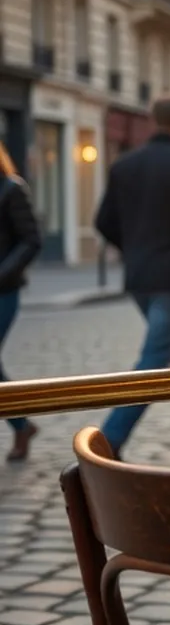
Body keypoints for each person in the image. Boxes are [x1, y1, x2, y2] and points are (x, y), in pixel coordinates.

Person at [94, 97, 170, 454]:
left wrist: (132, 249)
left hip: (140, 277)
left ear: (151, 122)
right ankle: (110, 440)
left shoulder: (124, 165)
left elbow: (103, 221)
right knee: (154, 360)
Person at [0, 141, 40, 461]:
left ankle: (21, 423)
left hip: (4, 291)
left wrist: (2, 274)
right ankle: (21, 423)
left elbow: (31, 240)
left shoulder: (11, 190)